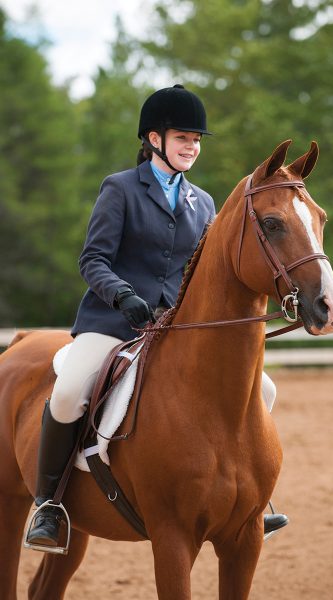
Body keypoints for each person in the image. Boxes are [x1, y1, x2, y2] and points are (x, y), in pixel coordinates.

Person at [26, 84, 288, 551]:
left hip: (175, 329)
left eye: (197, 139)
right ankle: (50, 504)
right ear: (154, 138)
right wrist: (122, 296)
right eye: (183, 137)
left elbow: (203, 275)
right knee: (67, 393)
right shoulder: (121, 188)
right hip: (113, 324)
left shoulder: (203, 203)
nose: (192, 147)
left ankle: (247, 499)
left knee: (262, 388)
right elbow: (93, 260)